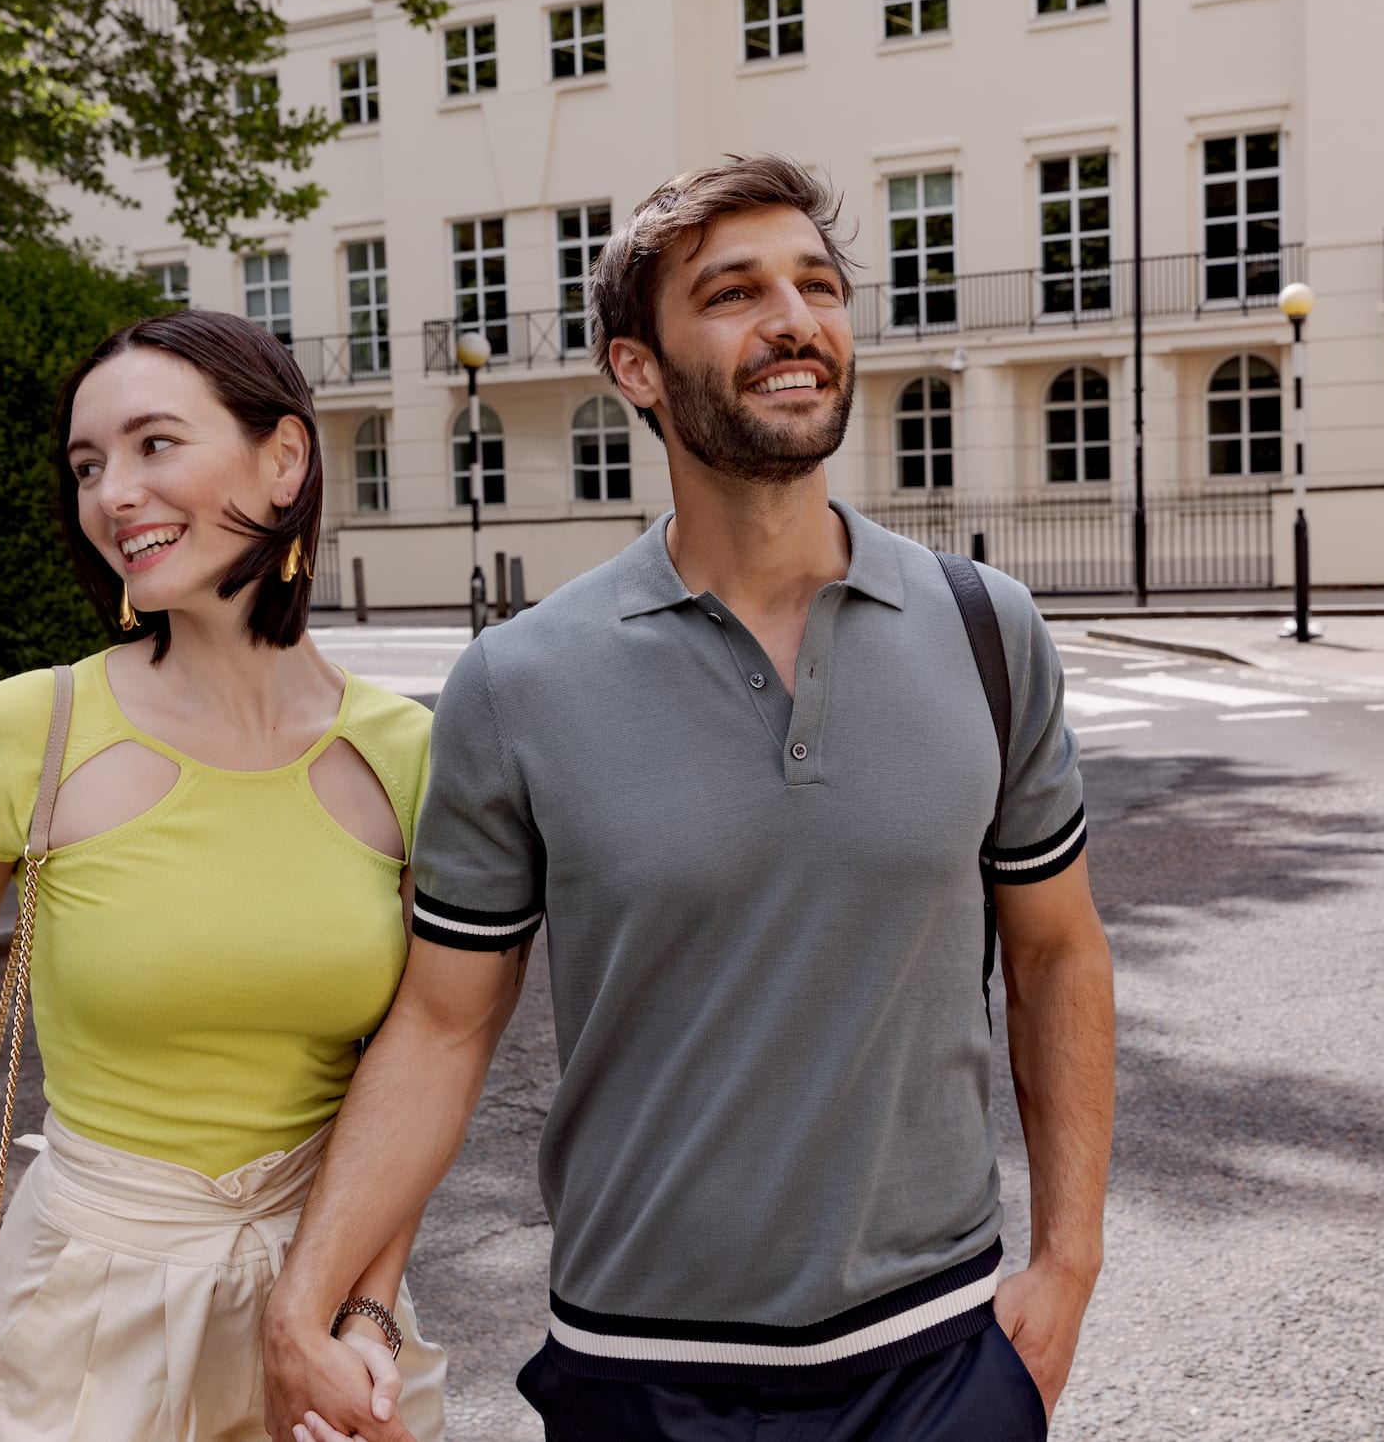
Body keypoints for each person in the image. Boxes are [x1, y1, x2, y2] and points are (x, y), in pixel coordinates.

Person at [263, 154, 1115, 1442]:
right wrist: (306, 1297)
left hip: (936, 1356)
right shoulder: (518, 680)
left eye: (817, 284)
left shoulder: (986, 630)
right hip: (642, 1373)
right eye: (733, 292)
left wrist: (1066, 1266)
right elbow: (441, 1026)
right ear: (638, 368)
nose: (794, 318)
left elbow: (1057, 952)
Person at [0, 310, 459, 1442]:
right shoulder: (30, 726)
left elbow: (423, 1056)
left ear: (284, 460)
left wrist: (367, 1305)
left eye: (154, 444)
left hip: (317, 1303)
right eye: (88, 465)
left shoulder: (409, 757)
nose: (112, 493)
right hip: (84, 1299)